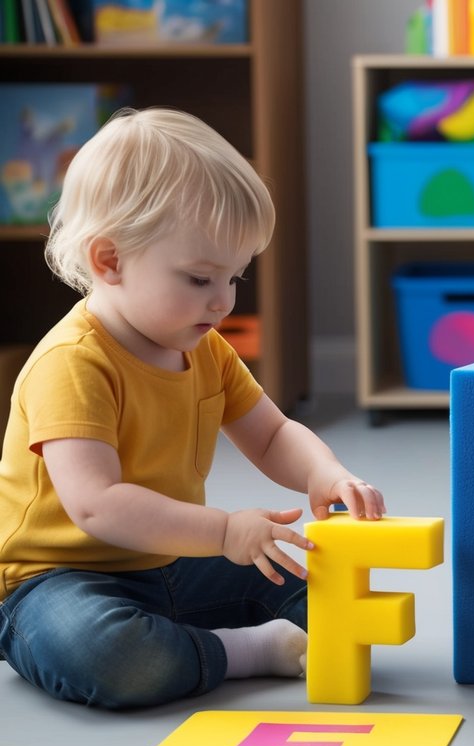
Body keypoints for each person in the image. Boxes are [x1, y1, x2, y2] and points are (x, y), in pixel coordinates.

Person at [0, 108, 386, 709]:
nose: (224, 300)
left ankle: (199, 641)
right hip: (60, 581)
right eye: (200, 278)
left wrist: (326, 474)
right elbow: (98, 506)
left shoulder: (205, 349)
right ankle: (239, 653)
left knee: (325, 594)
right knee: (108, 655)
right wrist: (227, 530)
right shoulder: (72, 364)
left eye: (235, 277)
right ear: (110, 261)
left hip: (172, 560)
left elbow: (271, 433)